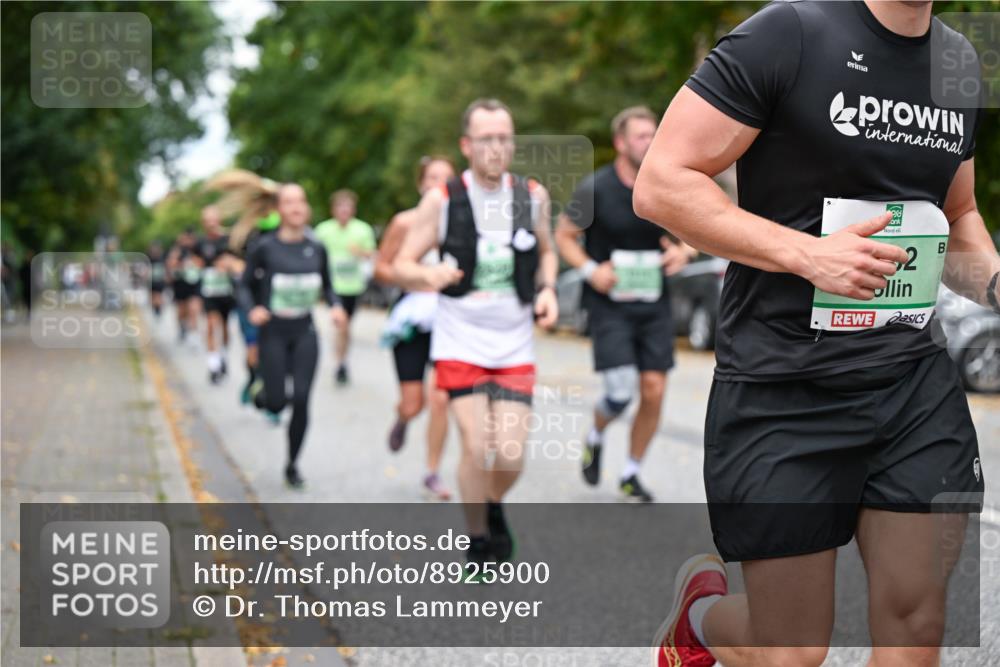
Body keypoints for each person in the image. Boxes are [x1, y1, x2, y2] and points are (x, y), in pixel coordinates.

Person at [632, 1, 990, 665]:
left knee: (916, 622)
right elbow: (662, 183)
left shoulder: (959, 64)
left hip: (909, 383)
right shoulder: (789, 34)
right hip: (783, 380)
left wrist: (995, 285)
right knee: (791, 648)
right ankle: (700, 621)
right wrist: (806, 253)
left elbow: (959, 213)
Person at [394, 99, 559, 565]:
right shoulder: (442, 200)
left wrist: (547, 290)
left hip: (513, 344)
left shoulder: (531, 196)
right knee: (477, 443)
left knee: (509, 454)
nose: (497, 147)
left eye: (504, 137)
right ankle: (478, 537)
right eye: (486, 138)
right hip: (459, 340)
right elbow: (402, 264)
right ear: (467, 145)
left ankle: (490, 501)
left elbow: (547, 253)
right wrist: (426, 277)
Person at [555, 106, 696, 502]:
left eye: (653, 135)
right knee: (619, 391)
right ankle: (597, 432)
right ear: (620, 143)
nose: (649, 142)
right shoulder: (594, 188)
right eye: (640, 136)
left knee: (653, 389)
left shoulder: (664, 186)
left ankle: (631, 472)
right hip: (609, 303)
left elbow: (693, 231)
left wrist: (683, 253)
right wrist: (590, 271)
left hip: (653, 302)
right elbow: (564, 235)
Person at [238, 183, 348, 488]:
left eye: (301, 201)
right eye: (289, 202)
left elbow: (328, 285)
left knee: (301, 398)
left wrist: (336, 307)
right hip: (273, 331)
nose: (297, 207)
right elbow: (244, 285)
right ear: (279, 210)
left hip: (304, 331)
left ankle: (292, 464)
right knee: (276, 403)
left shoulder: (317, 246)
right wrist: (253, 310)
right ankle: (263, 395)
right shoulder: (265, 247)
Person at [375, 155, 456, 501]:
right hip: (412, 319)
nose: (438, 183)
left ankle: (432, 471)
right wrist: (417, 278)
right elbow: (381, 268)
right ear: (420, 184)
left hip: (451, 319)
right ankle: (403, 417)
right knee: (415, 404)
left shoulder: (462, 223)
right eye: (432, 177)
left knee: (442, 397)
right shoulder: (404, 223)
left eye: (446, 178)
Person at [314, 190, 376, 385]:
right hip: (332, 287)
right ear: (333, 210)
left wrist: (360, 252)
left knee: (346, 327)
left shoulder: (362, 229)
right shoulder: (323, 230)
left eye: (347, 208)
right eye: (340, 208)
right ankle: (340, 363)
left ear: (353, 210)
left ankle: (342, 359)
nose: (344, 211)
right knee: (341, 324)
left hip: (354, 287)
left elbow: (373, 254)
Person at [194, 206, 236, 384]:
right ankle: (213, 366)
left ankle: (223, 356)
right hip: (209, 291)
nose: (211, 223)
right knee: (211, 324)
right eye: (207, 220)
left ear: (219, 219)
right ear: (203, 223)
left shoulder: (229, 239)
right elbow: (195, 262)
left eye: (213, 219)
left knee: (225, 327)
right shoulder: (200, 242)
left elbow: (238, 261)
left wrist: (228, 265)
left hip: (226, 291)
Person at [166, 228, 202, 344]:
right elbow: (171, 264)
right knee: (182, 310)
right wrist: (181, 263)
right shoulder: (177, 250)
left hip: (194, 284)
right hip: (180, 284)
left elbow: (202, 263)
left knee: (193, 309)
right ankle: (182, 327)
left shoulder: (198, 250)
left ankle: (194, 334)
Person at [147, 241, 167, 319]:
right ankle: (155, 310)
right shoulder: (149, 259)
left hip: (159, 281)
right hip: (152, 281)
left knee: (158, 296)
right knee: (153, 296)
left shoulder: (162, 258)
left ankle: (158, 311)